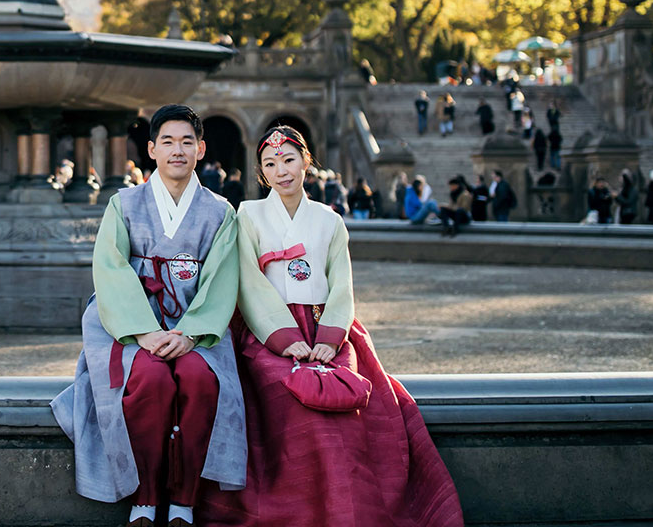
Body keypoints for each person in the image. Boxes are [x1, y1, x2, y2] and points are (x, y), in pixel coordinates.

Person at [199, 125, 463, 526]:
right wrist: (283, 339)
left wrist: (331, 339)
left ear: (307, 161)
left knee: (354, 408)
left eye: (289, 160)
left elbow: (342, 284)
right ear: (261, 172)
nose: (280, 171)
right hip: (269, 333)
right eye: (270, 164)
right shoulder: (248, 215)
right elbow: (249, 282)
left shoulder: (329, 220)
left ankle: (351, 510)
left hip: (327, 330)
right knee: (294, 404)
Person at [52, 104, 244, 527]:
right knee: (151, 380)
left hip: (195, 330)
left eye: (187, 142)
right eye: (169, 142)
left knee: (199, 379)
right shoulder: (124, 204)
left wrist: (190, 333)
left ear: (201, 149)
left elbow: (221, 280)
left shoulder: (220, 213)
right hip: (130, 328)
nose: (178, 150)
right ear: (152, 150)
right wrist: (143, 332)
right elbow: (111, 269)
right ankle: (146, 497)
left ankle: (184, 501)